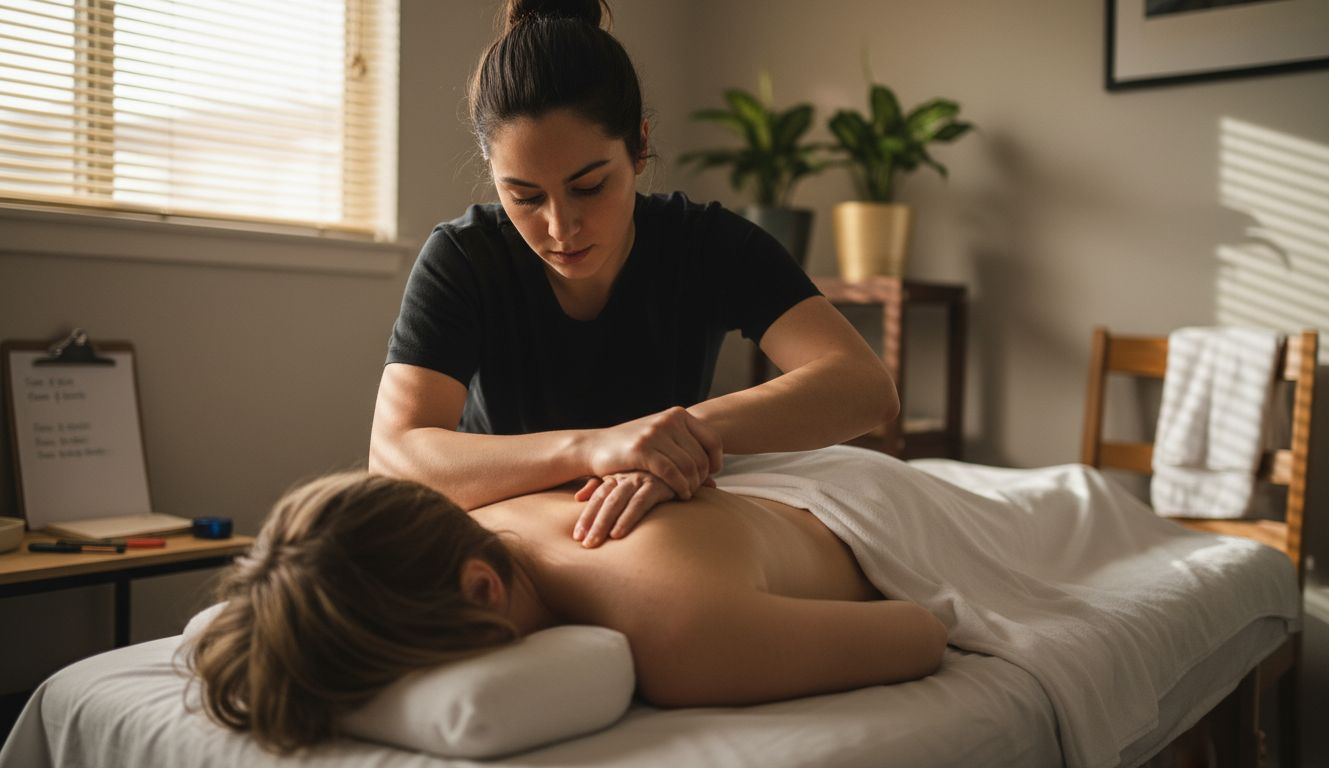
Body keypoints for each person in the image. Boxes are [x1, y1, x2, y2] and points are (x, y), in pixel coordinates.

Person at [368, 0, 898, 547]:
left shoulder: (705, 243)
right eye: (523, 196)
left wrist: (673, 438)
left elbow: (863, 387)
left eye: (590, 186)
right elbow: (393, 458)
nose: (560, 227)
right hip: (511, 519)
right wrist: (598, 447)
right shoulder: (464, 257)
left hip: (654, 522)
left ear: (640, 145)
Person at [189, 470, 947, 753]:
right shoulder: (481, 514)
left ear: (483, 591)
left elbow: (922, 631)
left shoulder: (678, 634)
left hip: (876, 503)